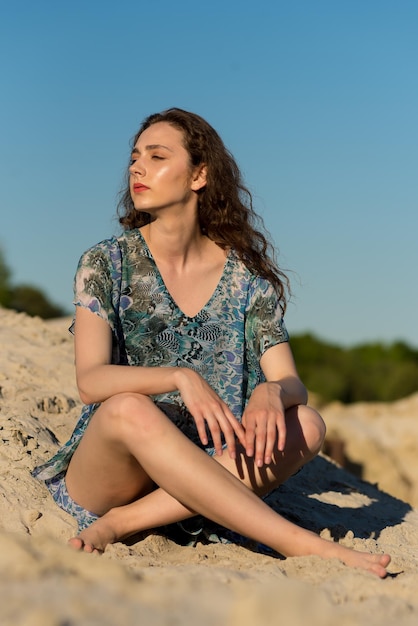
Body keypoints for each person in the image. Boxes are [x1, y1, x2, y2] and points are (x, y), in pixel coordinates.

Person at [33, 108, 390, 578]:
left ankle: (130, 522)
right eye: (135, 156)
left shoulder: (246, 279)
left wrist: (271, 391)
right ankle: (300, 543)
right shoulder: (105, 262)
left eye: (157, 156)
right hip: (116, 468)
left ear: (200, 175)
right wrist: (181, 377)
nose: (136, 167)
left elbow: (291, 383)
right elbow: (90, 380)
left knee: (306, 423)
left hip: (209, 467)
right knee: (126, 407)